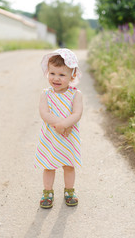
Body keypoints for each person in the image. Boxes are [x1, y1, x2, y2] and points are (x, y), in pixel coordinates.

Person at [34, 48, 83, 209]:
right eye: (53, 73)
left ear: (72, 76)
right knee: (49, 165)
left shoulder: (76, 94)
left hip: (68, 138)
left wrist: (66, 124)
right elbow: (44, 113)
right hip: (51, 137)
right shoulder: (46, 94)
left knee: (69, 165)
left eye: (62, 75)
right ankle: (47, 192)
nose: (56, 78)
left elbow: (77, 113)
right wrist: (61, 125)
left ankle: (69, 190)